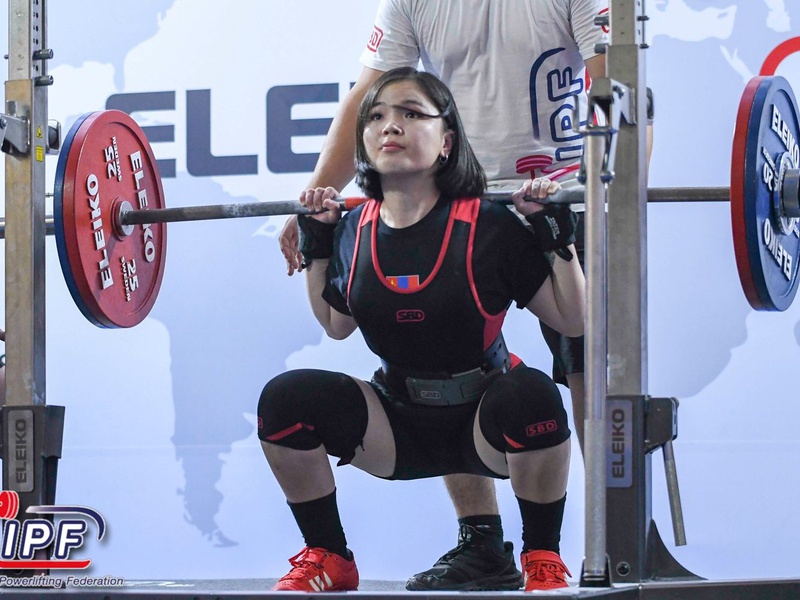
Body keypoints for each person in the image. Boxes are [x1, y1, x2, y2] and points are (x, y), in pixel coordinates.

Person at [276, 0, 646, 591]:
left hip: (555, 190)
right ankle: (482, 545)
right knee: (440, 356)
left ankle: (611, 545)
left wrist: (612, 186)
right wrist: (317, 194)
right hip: (456, 196)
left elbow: (612, 81)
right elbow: (370, 94)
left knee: (588, 366)